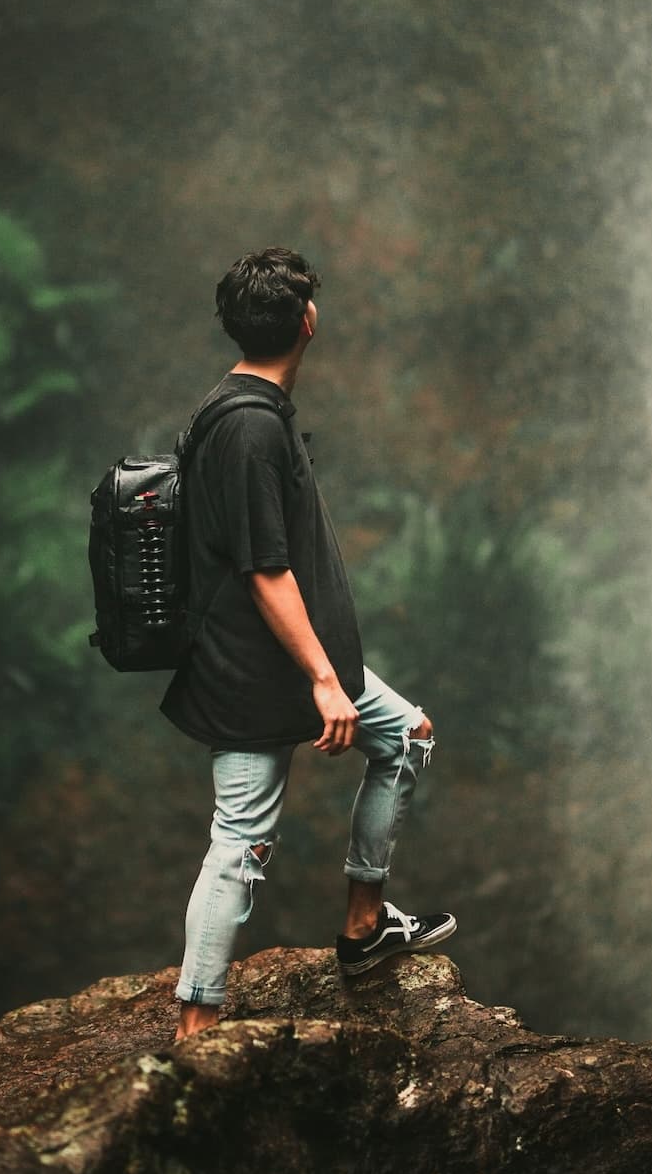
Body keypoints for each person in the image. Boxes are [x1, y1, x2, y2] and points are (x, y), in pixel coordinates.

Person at [162, 246, 455, 1043]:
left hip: (295, 661)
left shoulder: (236, 405)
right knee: (240, 845)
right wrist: (325, 680)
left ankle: (364, 929)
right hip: (263, 672)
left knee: (407, 735)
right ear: (307, 322)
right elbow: (264, 571)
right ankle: (196, 1024)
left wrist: (328, 671)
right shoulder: (250, 426)